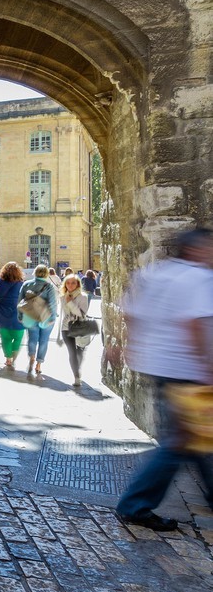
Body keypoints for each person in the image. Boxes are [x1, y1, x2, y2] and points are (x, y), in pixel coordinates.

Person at [115, 228, 213, 532]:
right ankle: (134, 504)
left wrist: (132, 346)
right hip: (187, 369)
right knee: (180, 441)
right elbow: (194, 324)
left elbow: (129, 312)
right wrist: (206, 366)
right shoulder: (199, 278)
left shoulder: (153, 274)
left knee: (194, 440)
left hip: (158, 364)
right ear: (196, 250)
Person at [58, 273, 96, 390]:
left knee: (80, 351)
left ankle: (77, 367)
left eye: (73, 283)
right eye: (68, 283)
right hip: (66, 328)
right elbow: (62, 316)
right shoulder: (62, 297)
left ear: (78, 284)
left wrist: (70, 302)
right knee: (72, 353)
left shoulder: (83, 296)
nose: (70, 285)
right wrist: (58, 334)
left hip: (80, 327)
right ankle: (76, 376)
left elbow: (81, 313)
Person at [20, 264, 58, 380]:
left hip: (30, 316)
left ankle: (31, 357)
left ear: (35, 273)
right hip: (45, 317)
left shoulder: (26, 284)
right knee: (44, 341)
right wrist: (53, 318)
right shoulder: (49, 286)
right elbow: (52, 303)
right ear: (46, 274)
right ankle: (38, 364)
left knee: (32, 339)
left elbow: (20, 301)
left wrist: (20, 315)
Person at [0, 261, 26, 371]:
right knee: (18, 337)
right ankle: (13, 356)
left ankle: (8, 358)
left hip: (1, 315)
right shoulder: (21, 284)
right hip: (18, 316)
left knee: (5, 338)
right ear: (18, 272)